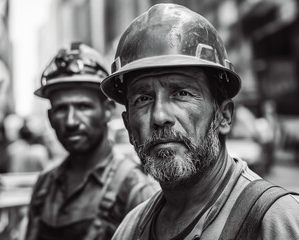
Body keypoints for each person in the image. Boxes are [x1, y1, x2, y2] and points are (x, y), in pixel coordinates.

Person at [100, 4, 299, 240]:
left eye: (181, 93)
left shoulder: (274, 220)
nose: (160, 116)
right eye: (143, 99)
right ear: (128, 126)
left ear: (224, 116)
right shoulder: (129, 230)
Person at [25, 42, 158, 240]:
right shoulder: (45, 185)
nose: (70, 121)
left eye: (83, 107)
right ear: (51, 117)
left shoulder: (135, 190)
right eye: (61, 109)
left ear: (107, 110)